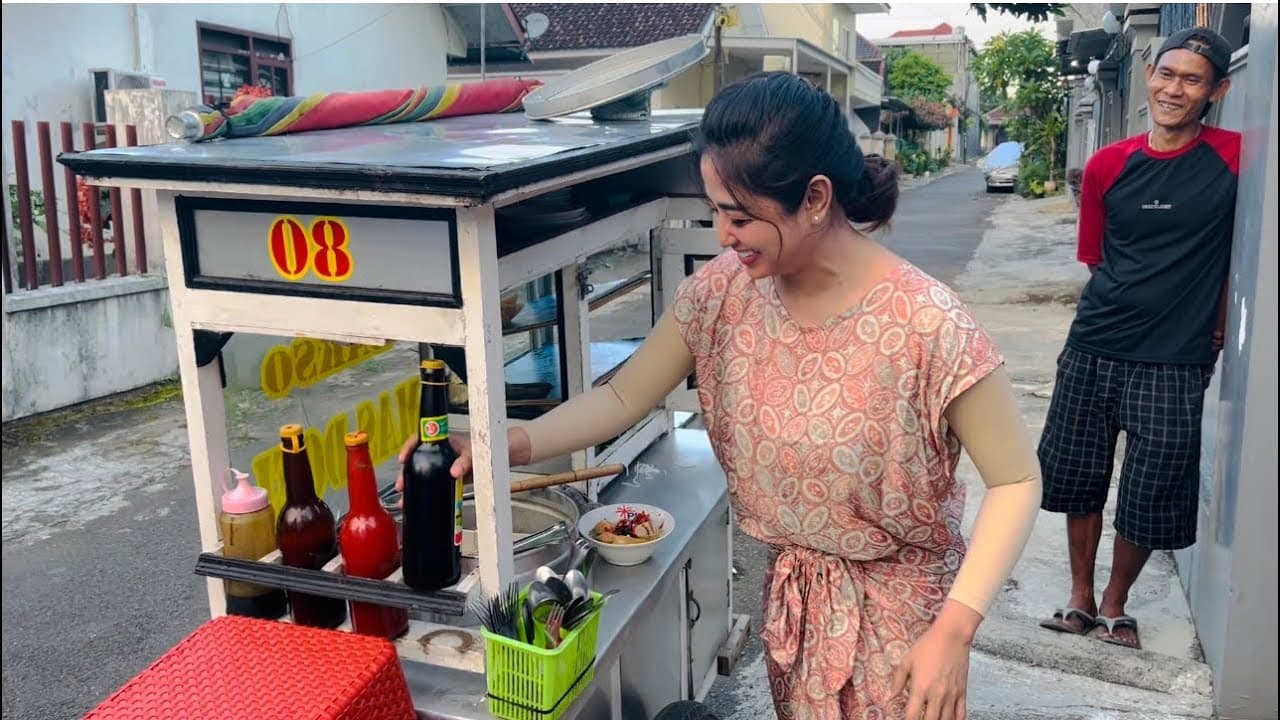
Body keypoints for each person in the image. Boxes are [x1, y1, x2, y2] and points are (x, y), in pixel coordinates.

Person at [401, 72, 1043, 719]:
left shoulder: (929, 324)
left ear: (816, 198)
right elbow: (625, 395)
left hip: (906, 631)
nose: (723, 235)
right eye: (714, 212)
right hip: (798, 607)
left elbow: (1016, 481)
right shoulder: (724, 292)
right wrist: (497, 446)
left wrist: (954, 632)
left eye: (739, 216)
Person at [1037, 27, 1239, 651]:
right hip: (1096, 344)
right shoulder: (1107, 164)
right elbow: (1095, 257)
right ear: (1149, 72)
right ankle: (1078, 595)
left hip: (1176, 359)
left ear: (1217, 90)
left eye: (1192, 80)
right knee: (1079, 476)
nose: (1173, 89)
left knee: (1152, 490)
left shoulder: (1238, 158)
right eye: (1167, 73)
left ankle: (1116, 603)